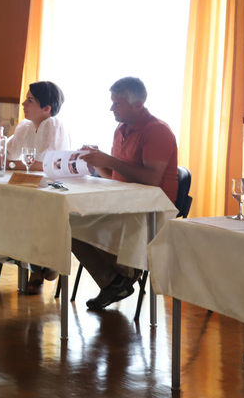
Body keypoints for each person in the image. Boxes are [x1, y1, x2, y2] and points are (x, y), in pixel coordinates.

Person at [76, 77, 178, 311]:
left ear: (138, 105)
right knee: (73, 220)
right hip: (123, 201)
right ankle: (115, 281)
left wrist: (108, 160)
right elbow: (115, 174)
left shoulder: (157, 131)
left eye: (117, 104)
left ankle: (127, 272)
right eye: (112, 102)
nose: (111, 108)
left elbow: (152, 179)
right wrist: (95, 163)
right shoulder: (121, 129)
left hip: (152, 208)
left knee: (123, 223)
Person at [4, 80, 71, 293]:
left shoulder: (53, 125)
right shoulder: (25, 126)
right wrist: (8, 162)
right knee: (7, 206)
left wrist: (11, 164)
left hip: (50, 190)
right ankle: (35, 264)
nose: (24, 103)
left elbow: (41, 164)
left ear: (47, 108)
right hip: (25, 185)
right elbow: (5, 156)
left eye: (30, 100)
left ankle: (42, 264)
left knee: (28, 210)